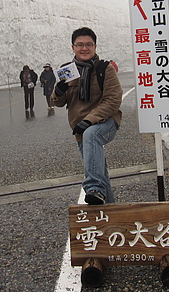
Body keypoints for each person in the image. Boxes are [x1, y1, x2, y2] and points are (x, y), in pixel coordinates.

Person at [51, 27, 122, 205]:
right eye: (80, 44)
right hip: (80, 129)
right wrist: (58, 92)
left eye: (88, 44)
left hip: (105, 122)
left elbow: (113, 100)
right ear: (73, 47)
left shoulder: (105, 69)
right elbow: (58, 102)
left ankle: (93, 188)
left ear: (95, 46)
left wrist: (89, 120)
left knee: (92, 135)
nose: (84, 48)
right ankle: (112, 214)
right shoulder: (67, 71)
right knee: (98, 170)